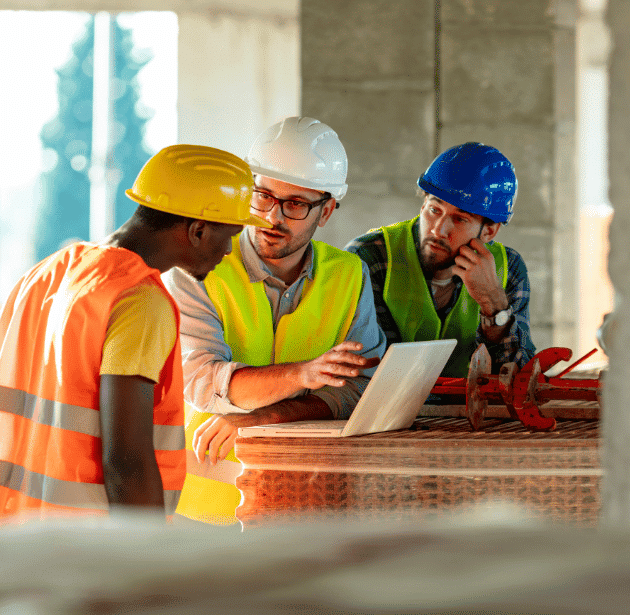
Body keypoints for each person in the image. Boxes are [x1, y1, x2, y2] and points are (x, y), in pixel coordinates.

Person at [0, 144, 270, 521]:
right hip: (90, 548)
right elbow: (127, 462)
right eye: (229, 235)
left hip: (18, 536)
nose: (228, 251)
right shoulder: (139, 301)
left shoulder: (46, 274)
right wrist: (146, 560)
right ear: (197, 230)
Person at [163, 117, 386, 525]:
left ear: (328, 210)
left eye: (296, 204)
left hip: (305, 503)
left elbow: (359, 391)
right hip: (202, 506)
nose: (272, 216)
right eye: (262, 196)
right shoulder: (196, 267)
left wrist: (267, 417)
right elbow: (201, 383)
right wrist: (303, 376)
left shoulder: (349, 274)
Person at [346, 142, 536, 378]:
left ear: (489, 232)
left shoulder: (509, 269)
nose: (438, 230)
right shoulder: (370, 257)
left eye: (459, 219)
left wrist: (495, 306)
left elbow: (520, 378)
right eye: (434, 210)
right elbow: (372, 371)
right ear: (423, 203)